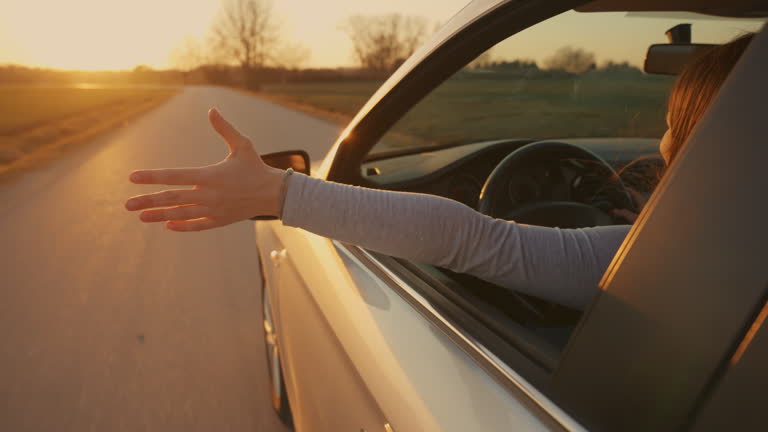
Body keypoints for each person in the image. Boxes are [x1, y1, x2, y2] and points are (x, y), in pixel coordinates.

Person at [125, 34, 754, 310]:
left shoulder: (663, 269)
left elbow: (466, 238)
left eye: (675, 120)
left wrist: (279, 191)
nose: (660, 137)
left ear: (711, 143)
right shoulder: (721, 254)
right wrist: (641, 228)